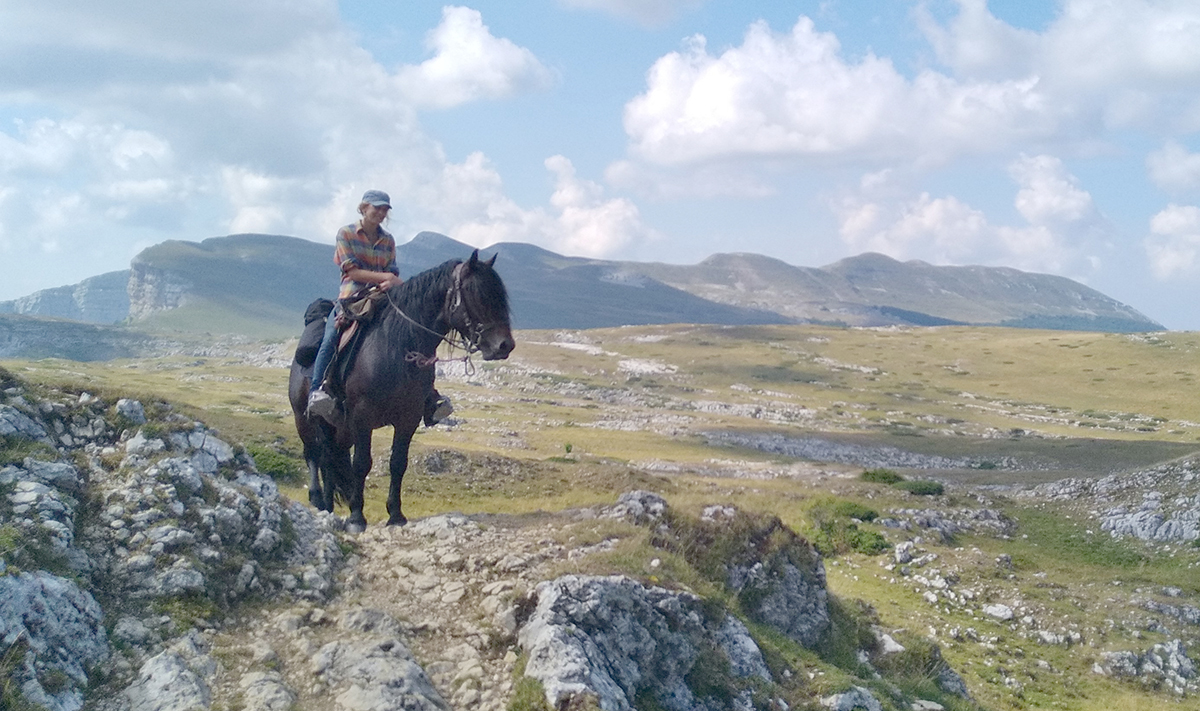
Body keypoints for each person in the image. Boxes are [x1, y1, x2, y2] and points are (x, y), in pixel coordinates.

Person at [307, 189, 453, 425]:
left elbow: (392, 272)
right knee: (331, 336)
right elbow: (351, 271)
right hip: (352, 296)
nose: (381, 213)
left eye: (385, 209)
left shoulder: (388, 240)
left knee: (415, 333)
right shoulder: (346, 233)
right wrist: (385, 277)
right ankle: (317, 390)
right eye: (377, 207)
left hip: (385, 296)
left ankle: (429, 396)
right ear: (364, 207)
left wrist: (392, 281)